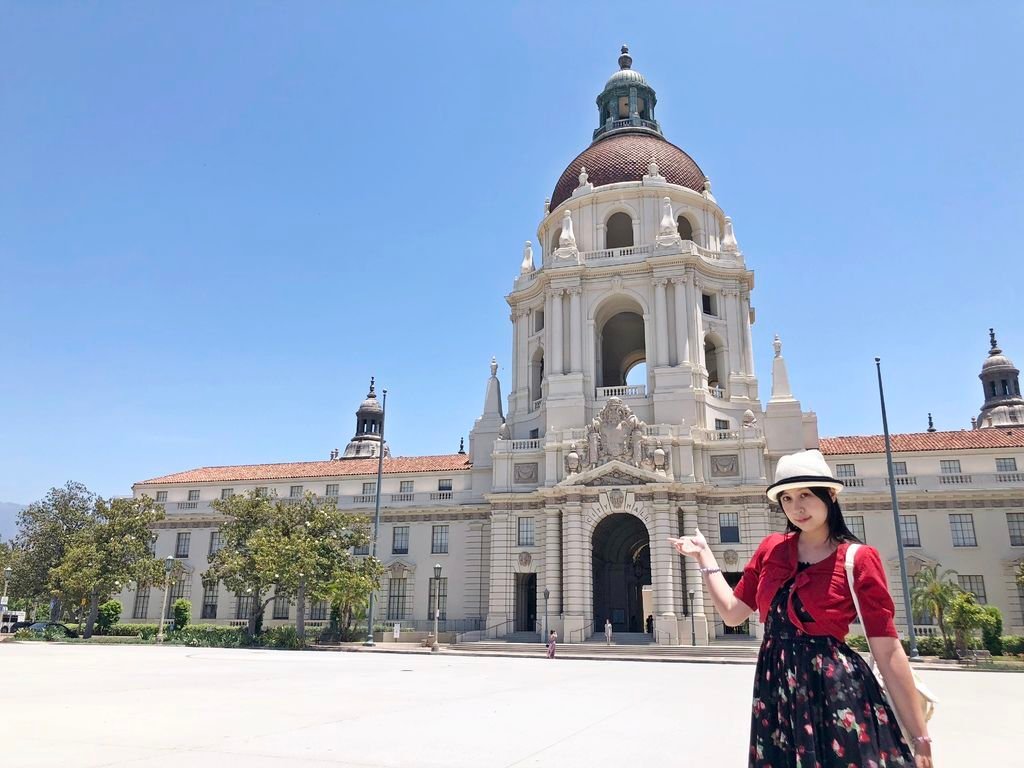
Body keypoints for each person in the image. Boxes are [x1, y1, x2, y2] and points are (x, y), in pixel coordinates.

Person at [669, 449, 933, 768]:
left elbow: (888, 652)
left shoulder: (858, 559)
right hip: (776, 690)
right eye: (787, 498)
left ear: (831, 495)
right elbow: (733, 612)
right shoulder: (771, 549)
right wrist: (705, 557)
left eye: (806, 494)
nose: (797, 507)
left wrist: (920, 739)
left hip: (835, 691)